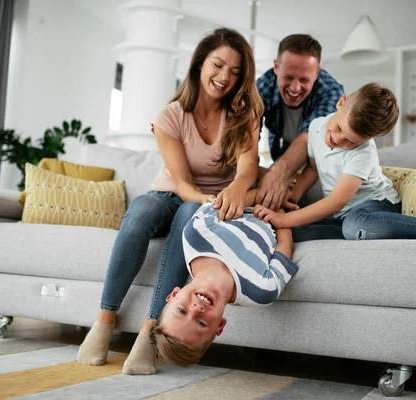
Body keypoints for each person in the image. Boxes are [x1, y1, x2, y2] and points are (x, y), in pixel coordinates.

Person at [77, 27, 263, 374]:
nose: (224, 77)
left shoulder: (244, 114)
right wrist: (209, 199)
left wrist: (236, 188)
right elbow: (181, 182)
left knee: (191, 211)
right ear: (199, 65)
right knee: (143, 209)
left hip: (210, 206)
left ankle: (150, 332)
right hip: (174, 194)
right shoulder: (170, 116)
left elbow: (249, 166)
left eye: (235, 73)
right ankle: (104, 320)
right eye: (218, 65)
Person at [253, 82, 416, 243]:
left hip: (376, 205)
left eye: (350, 141)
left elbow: (336, 201)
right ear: (340, 102)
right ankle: (355, 233)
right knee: (297, 232)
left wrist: (284, 220)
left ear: (367, 139)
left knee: (354, 225)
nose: (338, 140)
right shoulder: (317, 126)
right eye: (338, 129)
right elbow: (312, 167)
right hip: (343, 215)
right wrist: (294, 199)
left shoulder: (364, 152)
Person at [149, 194, 297, 367]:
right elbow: (286, 241)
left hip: (253, 188)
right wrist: (278, 208)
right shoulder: (262, 290)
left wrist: (268, 195)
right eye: (201, 323)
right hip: (285, 209)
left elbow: (235, 197)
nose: (196, 310)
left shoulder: (196, 233)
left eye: (182, 311)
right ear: (220, 325)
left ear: (173, 294)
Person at [255, 34, 345, 210]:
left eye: (304, 80)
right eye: (288, 77)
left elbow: (309, 139)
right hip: (282, 152)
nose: (295, 88)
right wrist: (265, 175)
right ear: (276, 67)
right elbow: (244, 138)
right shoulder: (260, 88)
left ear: (317, 72)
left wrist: (277, 174)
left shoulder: (330, 91)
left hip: (318, 158)